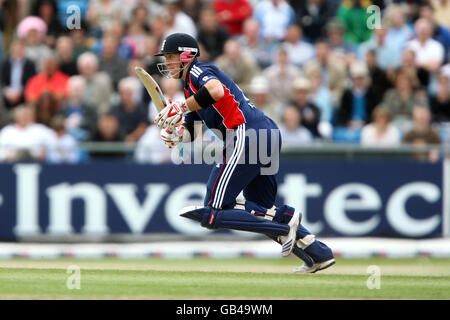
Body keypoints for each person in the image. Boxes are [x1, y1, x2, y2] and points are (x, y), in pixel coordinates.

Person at [152, 33, 334, 273]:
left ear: (187, 55)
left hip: (246, 134)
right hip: (265, 133)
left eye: (171, 57)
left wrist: (180, 107)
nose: (167, 63)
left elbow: (215, 90)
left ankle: (285, 224)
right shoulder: (190, 90)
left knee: (212, 212)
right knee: (261, 209)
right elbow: (191, 129)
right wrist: (176, 136)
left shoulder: (197, 71)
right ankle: (318, 253)